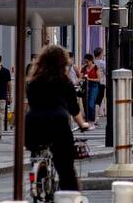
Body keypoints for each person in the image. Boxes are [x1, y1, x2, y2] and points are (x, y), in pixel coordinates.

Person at [25, 44, 89, 192]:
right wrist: (82, 124)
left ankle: (39, 173)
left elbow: (31, 102)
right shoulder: (64, 82)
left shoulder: (34, 82)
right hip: (57, 123)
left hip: (33, 124)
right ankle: (71, 201)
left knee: (37, 150)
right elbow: (74, 108)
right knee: (65, 167)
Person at [80, 53, 99, 123]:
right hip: (85, 87)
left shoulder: (96, 67)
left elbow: (98, 79)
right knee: (85, 104)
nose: (86, 63)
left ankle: (92, 119)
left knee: (91, 104)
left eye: (87, 61)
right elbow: (80, 78)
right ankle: (88, 119)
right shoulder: (84, 68)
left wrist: (89, 79)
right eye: (85, 61)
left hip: (94, 86)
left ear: (91, 61)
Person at [92, 46, 107, 121]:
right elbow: (106, 72)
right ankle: (95, 117)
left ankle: (92, 116)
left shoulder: (92, 62)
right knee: (98, 100)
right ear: (100, 54)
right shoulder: (102, 63)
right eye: (102, 53)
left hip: (92, 83)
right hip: (101, 83)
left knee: (92, 100)